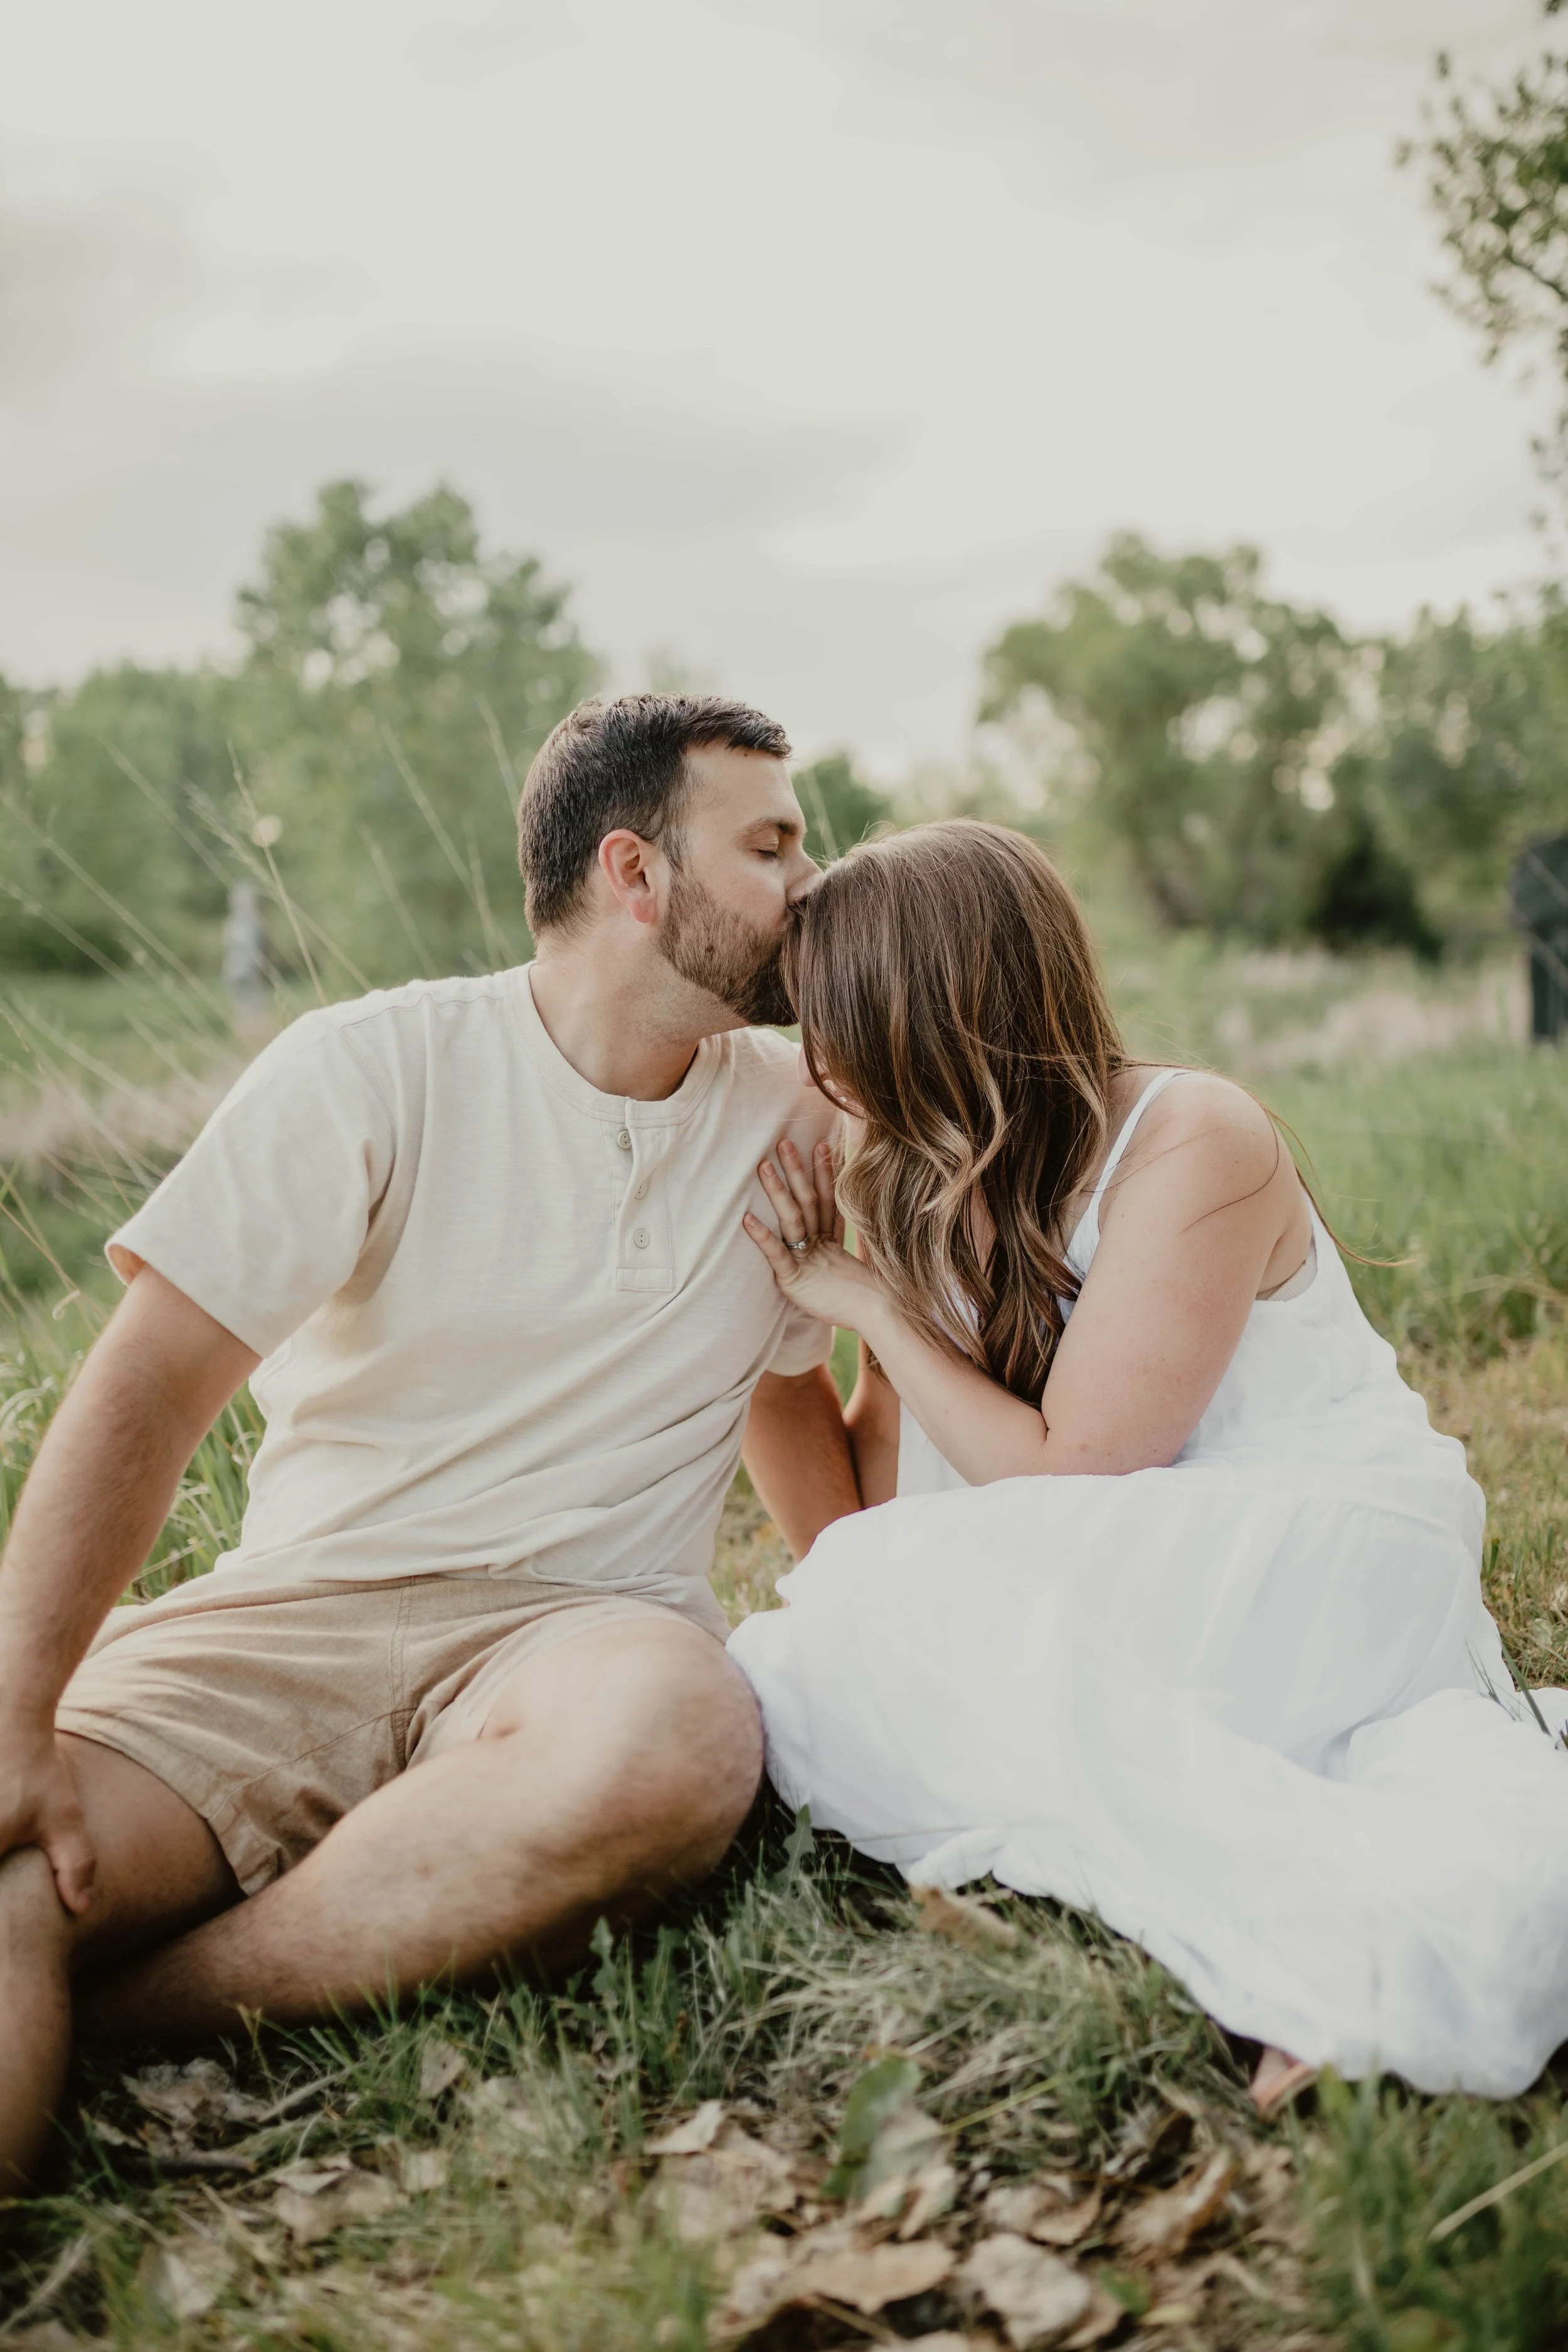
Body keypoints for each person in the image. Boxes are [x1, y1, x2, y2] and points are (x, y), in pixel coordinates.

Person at [0, 694, 862, 2190]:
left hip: (581, 1636)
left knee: (683, 1732)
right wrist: (19, 1707)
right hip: (297, 1619)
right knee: (21, 1878)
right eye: (772, 843)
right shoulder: (372, 1068)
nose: (812, 884)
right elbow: (145, 1393)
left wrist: (906, 1327)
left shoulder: (803, 1114)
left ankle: (151, 2013)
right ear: (633, 873)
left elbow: (795, 1416)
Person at [729, 818, 1568, 2107]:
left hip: (1312, 1536)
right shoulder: (914, 1179)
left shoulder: (1191, 1136)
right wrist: (753, 1333)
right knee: (835, 1629)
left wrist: (867, 1305)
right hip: (1107, 1557)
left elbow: (1081, 1468)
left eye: (829, 1023)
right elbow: (864, 1523)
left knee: (888, 1640)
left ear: (930, 1008)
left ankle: (1337, 1956)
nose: (815, 1062)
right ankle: (1320, 1940)